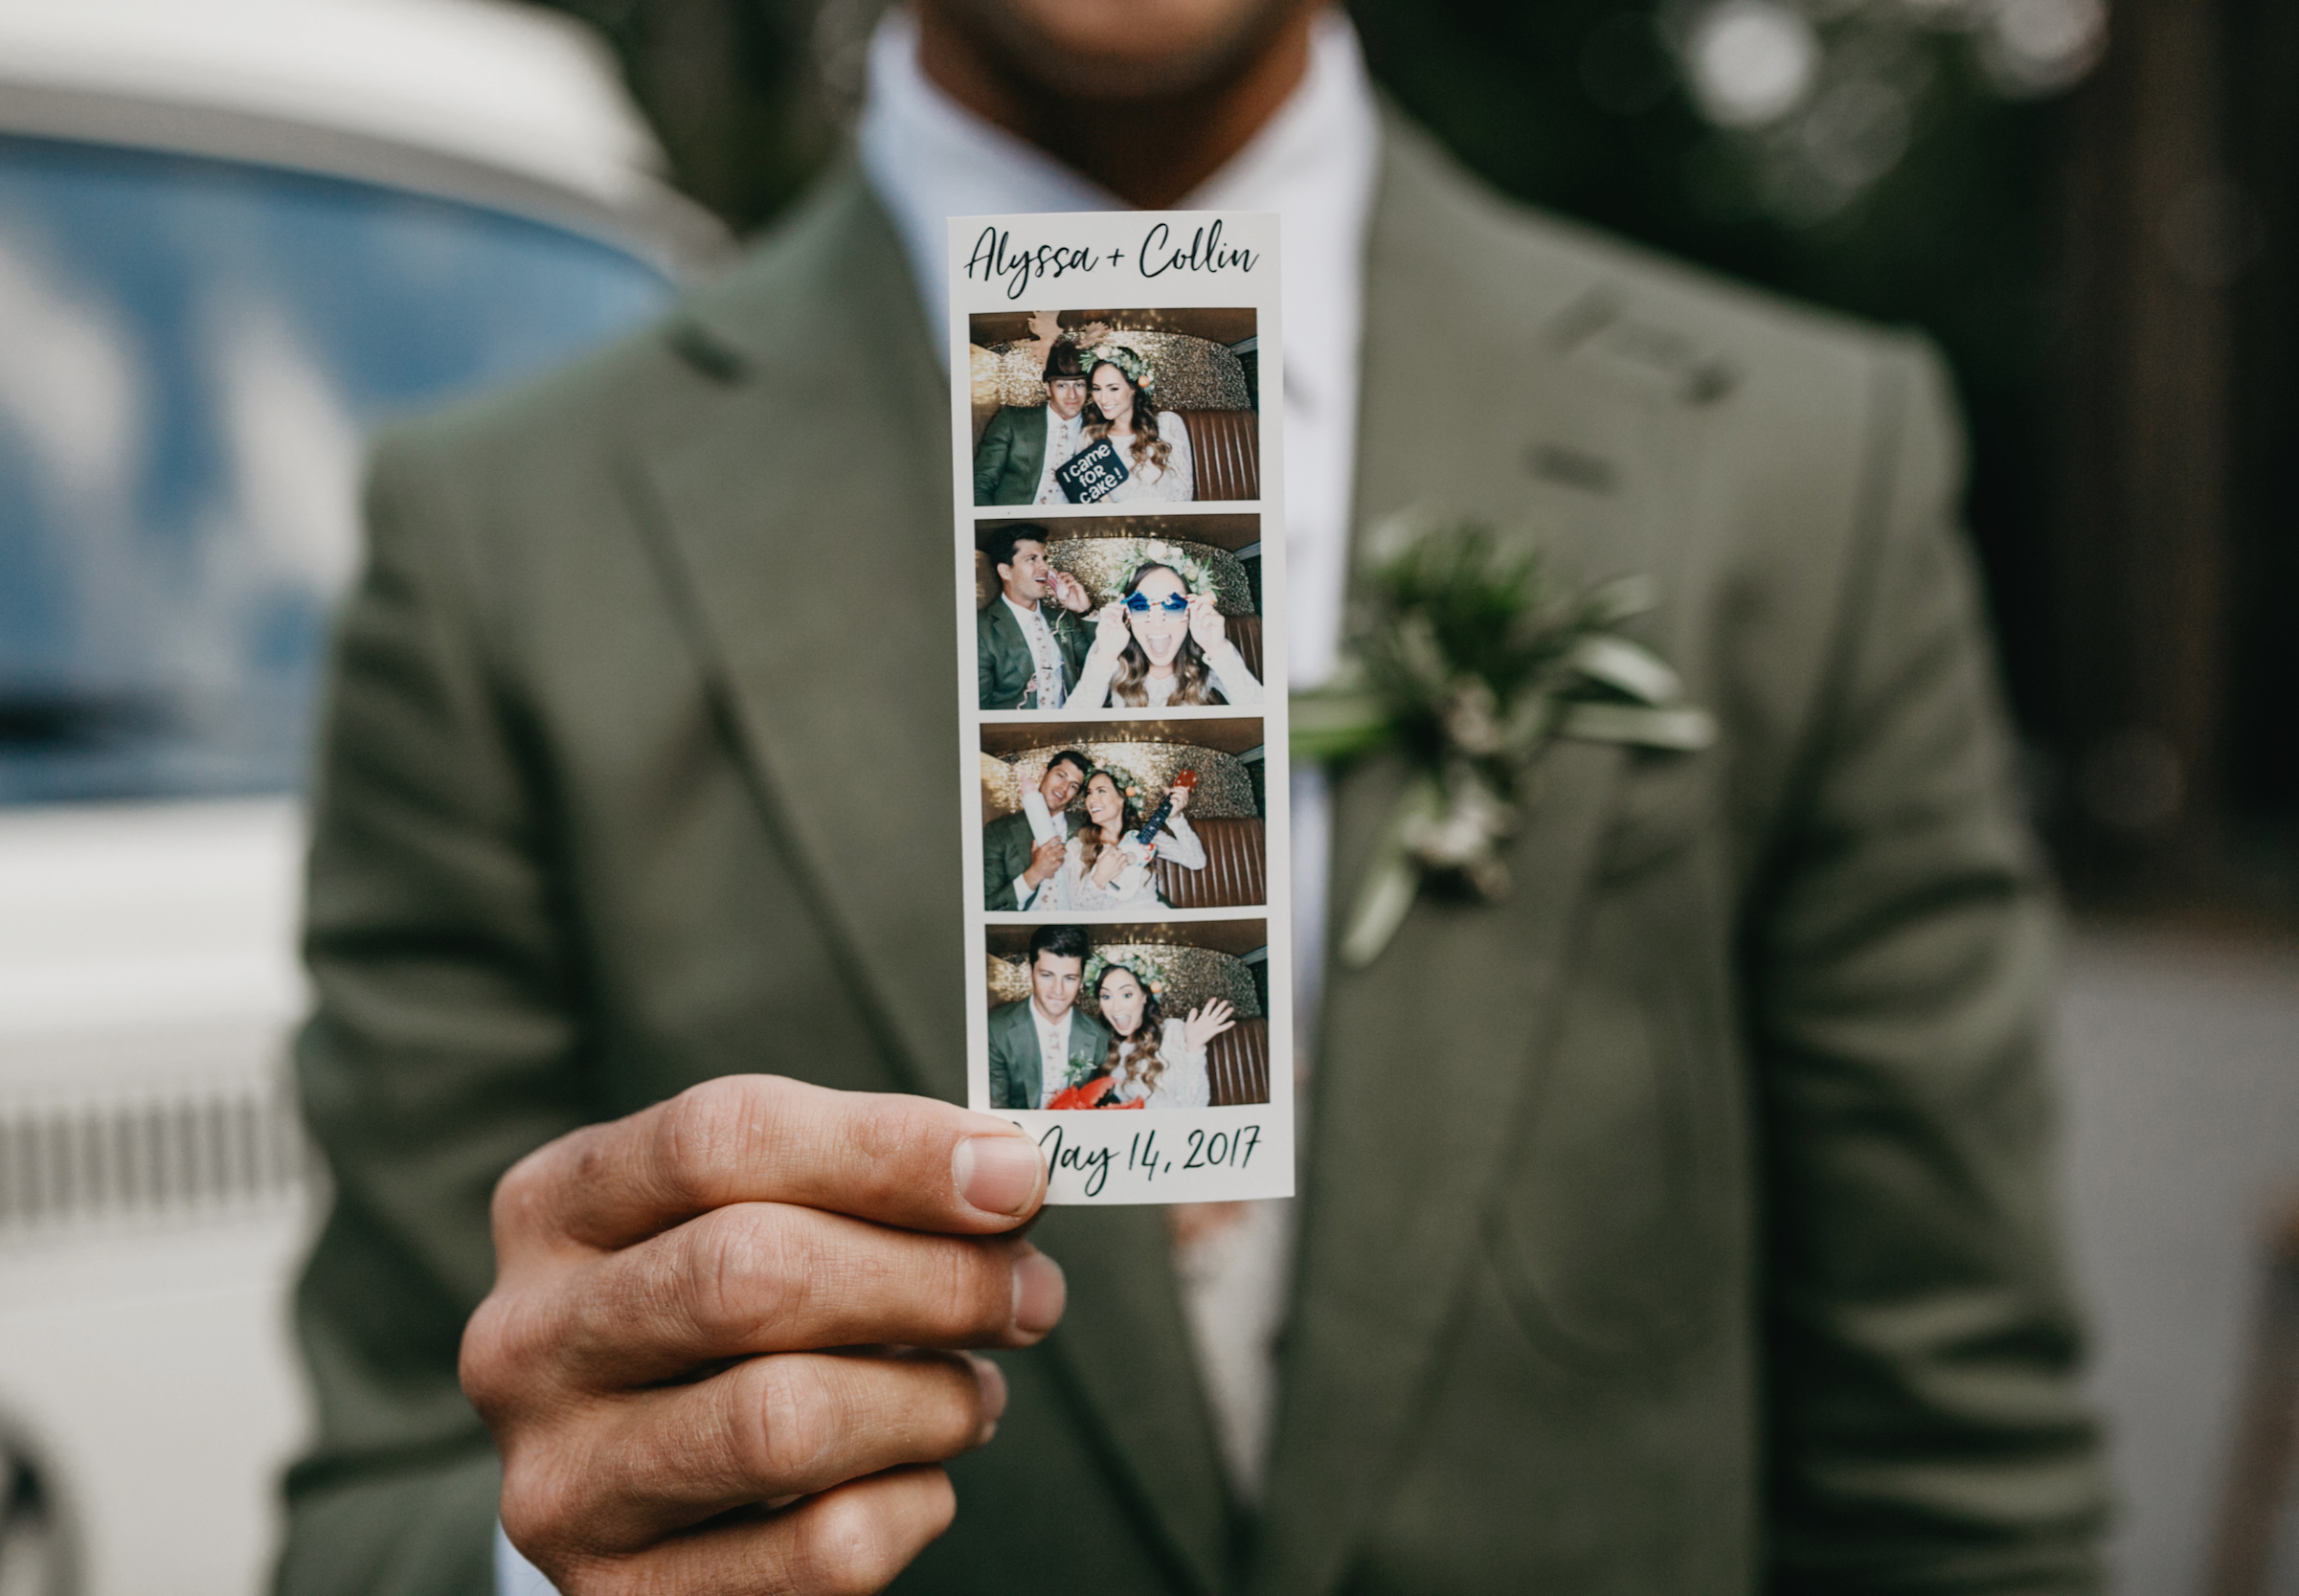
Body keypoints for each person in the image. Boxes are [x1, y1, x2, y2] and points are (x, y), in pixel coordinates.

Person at [279, 0, 2108, 1590]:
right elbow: (374, 1514)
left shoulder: (1799, 464)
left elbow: (1957, 1483)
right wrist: (560, 1551)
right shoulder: (502, 538)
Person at [1065, 560, 1261, 708]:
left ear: (1191, 610)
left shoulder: (1211, 650)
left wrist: (1218, 650)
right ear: (1127, 614)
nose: (1157, 623)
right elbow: (1067, 728)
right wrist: (1104, 658)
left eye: (1174, 606)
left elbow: (1268, 718)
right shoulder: (1107, 651)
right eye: (1141, 607)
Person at [986, 925, 1116, 1112]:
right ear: (1031, 971)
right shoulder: (995, 1029)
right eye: (1047, 976)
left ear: (1081, 979)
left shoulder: (1100, 1037)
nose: (1058, 990)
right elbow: (994, 1109)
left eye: (1070, 978)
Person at [975, 523, 1092, 709]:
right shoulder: (981, 628)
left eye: (1044, 559)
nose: (1044, 566)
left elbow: (1098, 663)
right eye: (1032, 559)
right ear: (1005, 571)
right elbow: (978, 707)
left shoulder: (1061, 618)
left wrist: (1085, 611)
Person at [1089, 961, 1231, 1110]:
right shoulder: (1105, 1045)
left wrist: (1194, 1048)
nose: (1116, 1006)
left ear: (1145, 996)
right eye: (1106, 997)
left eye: (1126, 995)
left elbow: (1196, 1106)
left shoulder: (1172, 1032)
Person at [1063, 766, 1206, 910]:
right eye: (1089, 793)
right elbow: (1075, 911)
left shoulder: (1146, 835)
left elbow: (1196, 861)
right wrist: (1098, 879)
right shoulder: (1076, 847)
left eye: (1101, 791)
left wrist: (1175, 818)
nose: (1091, 799)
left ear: (1122, 799)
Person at [973, 337, 1090, 506]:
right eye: (1062, 386)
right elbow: (980, 482)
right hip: (1013, 524)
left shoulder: (1099, 431)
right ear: (1047, 388)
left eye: (1079, 385)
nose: (1072, 395)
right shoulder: (1012, 420)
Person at [1078, 348, 1193, 504]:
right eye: (1097, 389)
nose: (1103, 399)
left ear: (1133, 388)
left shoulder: (1168, 424)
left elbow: (1184, 492)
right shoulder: (1089, 437)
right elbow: (1092, 502)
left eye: (1113, 388)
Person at [982, 748, 1090, 910]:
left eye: (1073, 786)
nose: (1063, 788)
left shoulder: (1086, 828)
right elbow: (987, 907)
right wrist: (1035, 873)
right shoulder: (998, 831)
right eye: (1060, 776)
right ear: (1043, 774)